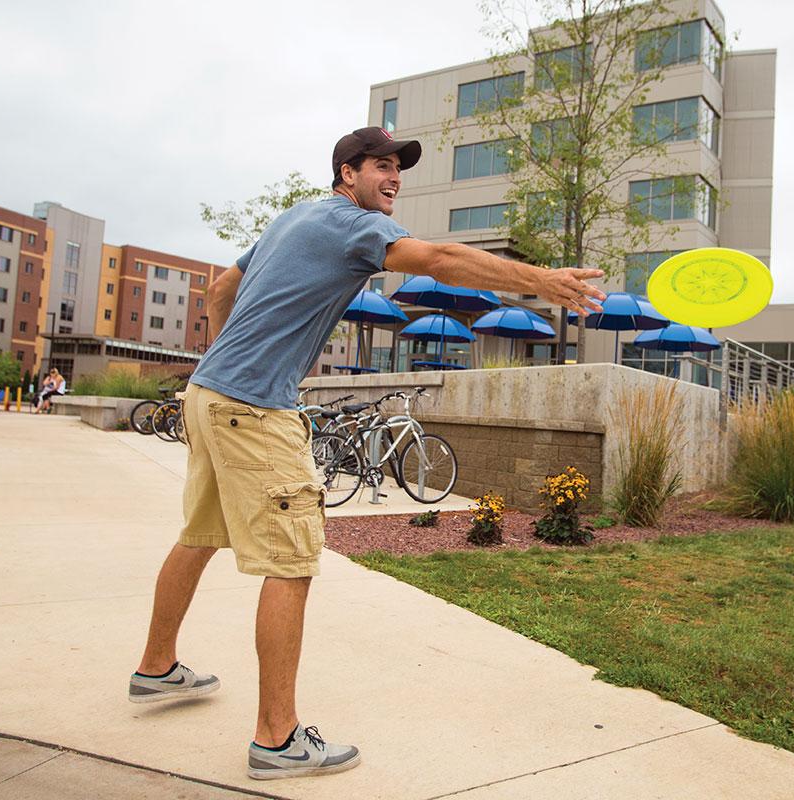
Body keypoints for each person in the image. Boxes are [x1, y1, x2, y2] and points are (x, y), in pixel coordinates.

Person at [129, 126, 606, 781]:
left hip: (209, 393)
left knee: (199, 535)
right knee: (293, 560)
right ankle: (277, 740)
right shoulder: (354, 225)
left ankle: (157, 668)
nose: (394, 178)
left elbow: (217, 290)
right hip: (253, 408)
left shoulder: (295, 216)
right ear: (346, 172)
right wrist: (540, 280)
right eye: (381, 165)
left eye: (398, 169)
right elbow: (438, 259)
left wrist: (230, 357)